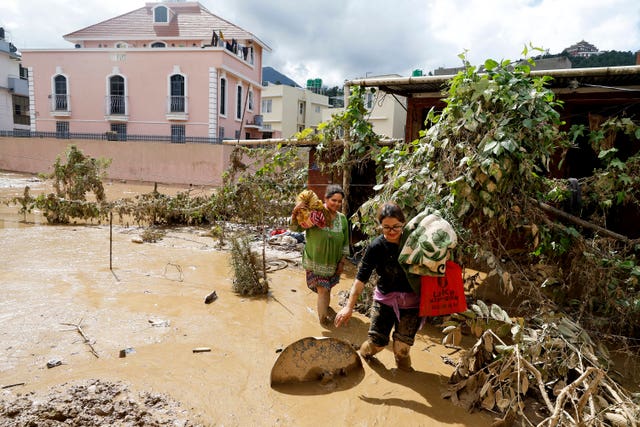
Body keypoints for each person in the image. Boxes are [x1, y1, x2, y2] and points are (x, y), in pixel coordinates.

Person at [334, 202, 420, 372]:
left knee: (401, 350)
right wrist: (349, 307)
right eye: (386, 227)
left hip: (412, 303)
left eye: (396, 226)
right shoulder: (376, 247)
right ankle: (358, 361)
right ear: (380, 225)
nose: (392, 231)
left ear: (404, 223)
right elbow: (360, 278)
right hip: (385, 300)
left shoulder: (414, 244)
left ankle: (406, 377)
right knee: (376, 344)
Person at [290, 185, 350, 326]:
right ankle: (323, 322)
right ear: (325, 199)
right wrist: (295, 211)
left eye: (339, 201)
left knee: (327, 289)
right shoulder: (314, 214)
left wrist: (342, 262)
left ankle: (325, 310)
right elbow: (294, 228)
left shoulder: (342, 220)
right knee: (323, 290)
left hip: (333, 264)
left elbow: (345, 243)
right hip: (315, 262)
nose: (336, 204)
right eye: (333, 200)